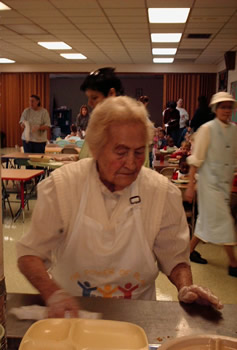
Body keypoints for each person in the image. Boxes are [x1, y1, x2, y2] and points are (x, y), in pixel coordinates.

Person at [17, 96, 222, 318]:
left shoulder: (162, 192)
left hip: (138, 316)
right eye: (121, 152)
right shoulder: (62, 187)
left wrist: (185, 288)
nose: (132, 163)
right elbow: (30, 254)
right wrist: (52, 294)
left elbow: (175, 259)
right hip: (73, 313)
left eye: (138, 151)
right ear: (95, 148)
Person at [185, 92, 237, 275]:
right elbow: (196, 159)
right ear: (215, 109)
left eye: (229, 107)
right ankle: (233, 263)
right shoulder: (206, 129)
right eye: (222, 106)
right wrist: (190, 186)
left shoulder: (234, 130)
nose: (226, 110)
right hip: (209, 184)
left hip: (224, 184)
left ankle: (189, 251)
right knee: (226, 222)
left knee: (205, 222)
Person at [79, 67, 124, 160]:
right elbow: (89, 158)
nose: (89, 103)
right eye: (88, 98)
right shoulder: (99, 123)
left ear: (111, 94)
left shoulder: (125, 127)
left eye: (94, 98)